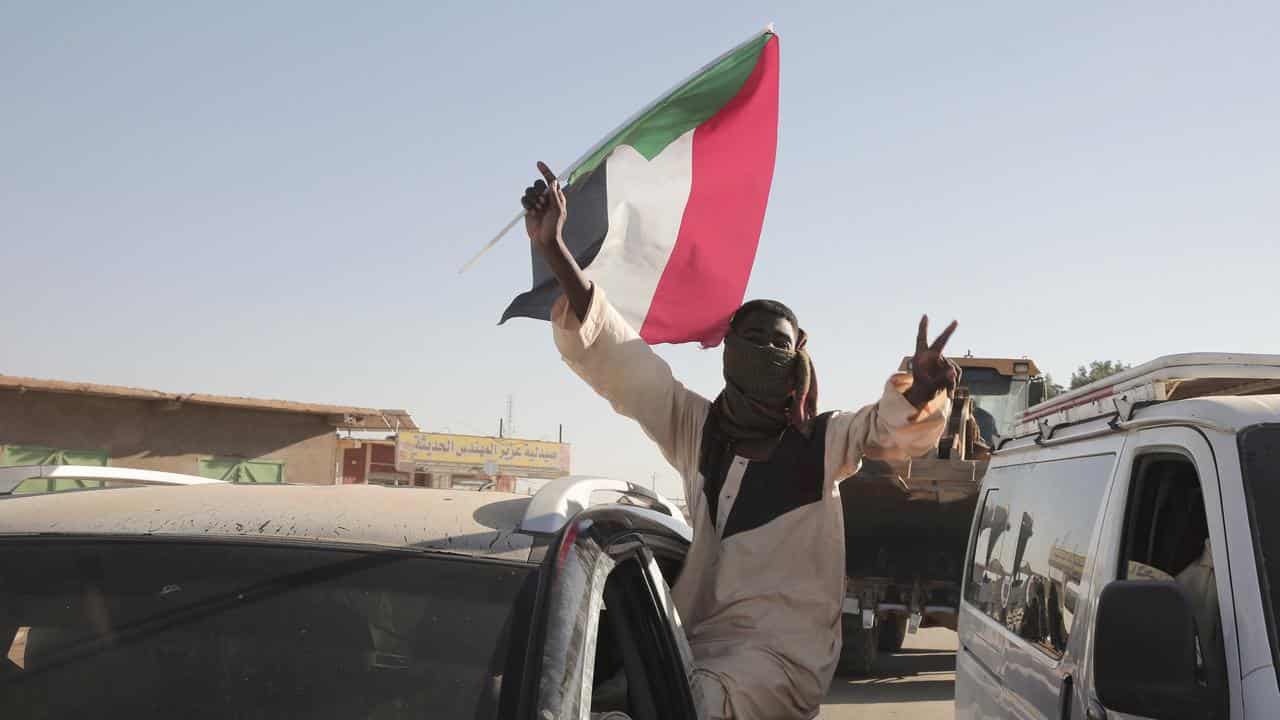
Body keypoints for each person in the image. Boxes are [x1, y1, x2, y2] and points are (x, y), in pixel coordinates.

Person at [521, 163, 959, 720]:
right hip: (695, 643)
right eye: (751, 338)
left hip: (780, 662)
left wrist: (920, 390)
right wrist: (555, 249)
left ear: (797, 358)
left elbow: (888, 429)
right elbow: (622, 360)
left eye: (777, 343)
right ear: (729, 350)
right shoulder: (699, 430)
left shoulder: (821, 443)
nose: (763, 350)